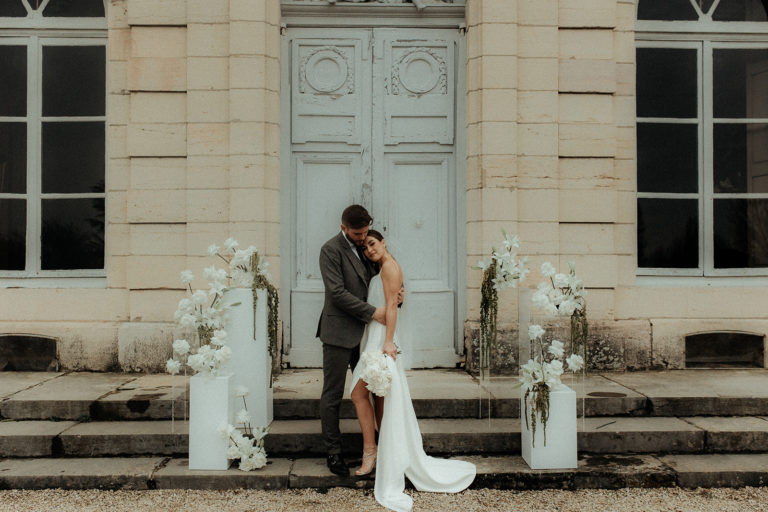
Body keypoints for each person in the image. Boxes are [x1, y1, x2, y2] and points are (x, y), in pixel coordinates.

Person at [349, 230, 476, 512]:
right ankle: (384, 451)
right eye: (365, 247)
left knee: (359, 392)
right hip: (375, 334)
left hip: (382, 338)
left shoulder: (391, 267)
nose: (369, 250)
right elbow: (391, 301)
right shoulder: (383, 268)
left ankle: (373, 452)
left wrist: (389, 341)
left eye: (372, 244)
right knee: (379, 396)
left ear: (383, 243)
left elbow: (392, 306)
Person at [316, 205, 387, 476]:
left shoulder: (369, 246)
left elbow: (379, 281)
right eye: (358, 233)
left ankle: (378, 446)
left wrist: (395, 298)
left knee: (374, 390)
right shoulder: (330, 250)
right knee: (332, 395)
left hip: (368, 336)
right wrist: (373, 312)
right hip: (338, 332)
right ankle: (333, 454)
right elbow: (336, 292)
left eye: (366, 232)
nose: (362, 238)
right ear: (343, 227)